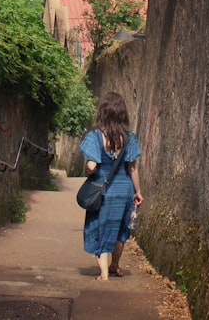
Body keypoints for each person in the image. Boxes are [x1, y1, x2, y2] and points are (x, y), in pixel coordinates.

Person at [79, 91, 144, 280]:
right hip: (125, 190)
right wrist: (138, 191)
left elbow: (91, 166)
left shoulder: (95, 136)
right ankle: (115, 264)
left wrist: (89, 167)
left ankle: (104, 273)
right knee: (119, 229)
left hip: (103, 191)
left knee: (101, 228)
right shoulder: (129, 138)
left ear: (103, 112)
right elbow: (133, 168)